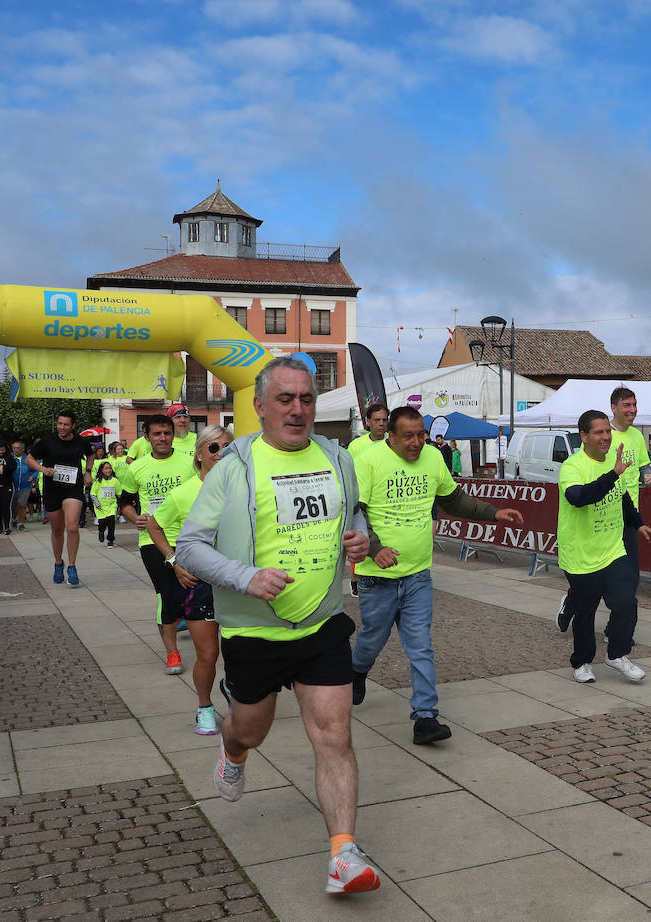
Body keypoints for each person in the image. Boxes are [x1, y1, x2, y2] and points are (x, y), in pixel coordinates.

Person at [176, 356, 382, 895]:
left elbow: (354, 513)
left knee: (335, 735)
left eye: (307, 399)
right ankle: (234, 750)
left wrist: (362, 539)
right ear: (259, 405)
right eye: (286, 399)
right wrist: (244, 577)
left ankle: (344, 854)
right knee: (253, 729)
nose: (298, 409)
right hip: (254, 632)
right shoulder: (233, 469)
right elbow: (190, 547)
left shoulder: (338, 459)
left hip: (321, 624)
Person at [350, 406, 524, 743]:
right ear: (391, 436)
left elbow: (454, 500)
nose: (416, 443)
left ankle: (425, 718)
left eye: (421, 435)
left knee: (420, 647)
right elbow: (355, 511)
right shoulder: (368, 461)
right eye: (408, 437)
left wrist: (493, 512)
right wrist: (374, 548)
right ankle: (357, 671)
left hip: (417, 576)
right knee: (373, 639)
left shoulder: (432, 458)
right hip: (378, 578)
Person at [557, 409, 651, 684]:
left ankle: (616, 654)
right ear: (584, 436)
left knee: (626, 602)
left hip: (613, 550)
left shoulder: (611, 464)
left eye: (608, 431)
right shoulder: (572, 466)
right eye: (599, 432)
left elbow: (623, 499)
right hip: (580, 555)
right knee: (586, 612)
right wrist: (614, 473)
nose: (606, 437)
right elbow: (579, 497)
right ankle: (581, 662)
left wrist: (638, 524)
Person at [146, 425, 232, 736]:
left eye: (226, 447)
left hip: (238, 581)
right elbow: (154, 526)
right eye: (213, 448)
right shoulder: (183, 493)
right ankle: (205, 708)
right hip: (202, 584)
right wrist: (174, 562)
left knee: (241, 650)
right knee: (208, 654)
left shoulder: (244, 487)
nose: (220, 453)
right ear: (199, 454)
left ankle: (232, 687)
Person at [118, 415, 198, 675]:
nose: (163, 438)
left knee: (190, 593)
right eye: (157, 434)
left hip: (188, 537)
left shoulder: (189, 463)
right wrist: (135, 518)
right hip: (152, 540)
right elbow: (125, 503)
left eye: (167, 433)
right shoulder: (136, 468)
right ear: (146, 436)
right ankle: (172, 652)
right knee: (166, 593)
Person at [27, 410, 96, 586]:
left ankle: (72, 566)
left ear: (73, 426)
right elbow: (30, 459)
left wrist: (88, 472)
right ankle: (59, 563)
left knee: (72, 527)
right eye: (59, 423)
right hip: (52, 489)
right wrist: (42, 469)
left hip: (73, 487)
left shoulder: (81, 441)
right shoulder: (47, 441)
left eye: (66, 424)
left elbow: (91, 454)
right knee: (57, 530)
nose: (62, 427)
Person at [346, 403, 388, 597]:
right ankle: (356, 578)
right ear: (368, 422)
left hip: (385, 501)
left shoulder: (393, 442)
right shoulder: (356, 446)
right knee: (361, 538)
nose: (381, 424)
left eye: (385, 420)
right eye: (377, 420)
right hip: (362, 500)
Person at [127, 403, 196, 461]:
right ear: (170, 421)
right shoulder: (158, 442)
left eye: (186, 417)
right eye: (177, 417)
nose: (183, 420)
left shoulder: (199, 439)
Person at [91, 461, 120, 547]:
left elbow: (119, 493)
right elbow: (93, 494)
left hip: (112, 505)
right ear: (102, 470)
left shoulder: (115, 481)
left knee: (111, 522)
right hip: (100, 507)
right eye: (106, 468)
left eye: (110, 468)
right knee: (102, 523)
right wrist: (97, 504)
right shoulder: (98, 481)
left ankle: (110, 540)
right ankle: (101, 531)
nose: (109, 470)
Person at [12, 439, 38, 532]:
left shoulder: (28, 459)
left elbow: (36, 469)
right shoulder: (10, 458)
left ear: (23, 449)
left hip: (25, 486)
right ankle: (14, 519)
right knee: (14, 505)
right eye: (14, 448)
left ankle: (21, 524)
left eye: (18, 448)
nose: (16, 450)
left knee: (22, 505)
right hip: (12, 486)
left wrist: (33, 476)